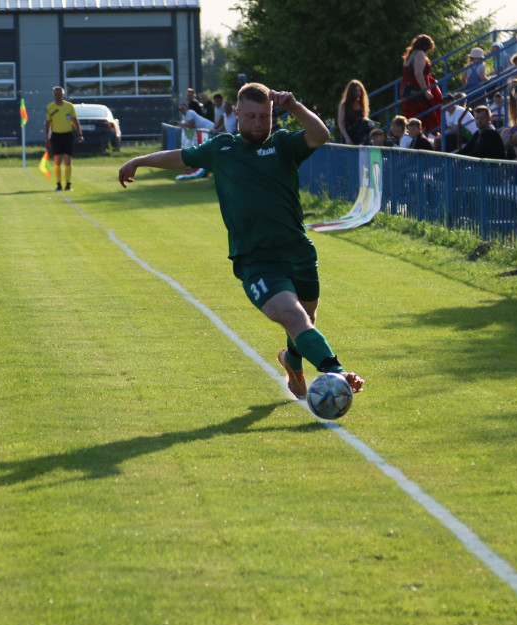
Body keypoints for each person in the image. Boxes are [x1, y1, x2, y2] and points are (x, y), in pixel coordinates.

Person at [117, 83, 364, 398]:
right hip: (256, 259)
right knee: (294, 315)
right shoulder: (222, 149)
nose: (259, 123)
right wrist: (139, 160)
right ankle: (337, 372)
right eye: (251, 116)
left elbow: (320, 135)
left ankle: (292, 361)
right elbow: (179, 157)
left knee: (306, 318)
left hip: (297, 250)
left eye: (265, 116)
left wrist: (296, 107)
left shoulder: (283, 144)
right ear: (237, 114)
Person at [44, 85, 84, 191]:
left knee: (68, 160)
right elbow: (48, 123)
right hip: (56, 135)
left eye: (60, 94)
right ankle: (58, 184)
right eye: (56, 94)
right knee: (57, 160)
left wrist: (80, 134)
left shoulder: (69, 106)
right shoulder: (50, 107)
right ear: (54, 95)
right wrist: (47, 137)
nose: (58, 96)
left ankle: (68, 184)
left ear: (63, 94)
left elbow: (75, 120)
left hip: (67, 135)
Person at [401, 34, 443, 133]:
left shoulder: (410, 55)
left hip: (407, 89)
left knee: (413, 118)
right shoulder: (420, 54)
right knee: (424, 118)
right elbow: (418, 73)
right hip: (417, 90)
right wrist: (426, 91)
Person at [337, 79, 372, 145]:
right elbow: (341, 123)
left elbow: (363, 119)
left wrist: (370, 124)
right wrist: (347, 138)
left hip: (360, 134)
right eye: (356, 90)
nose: (359, 93)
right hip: (349, 134)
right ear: (351, 92)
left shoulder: (361, 104)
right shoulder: (344, 105)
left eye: (360, 90)